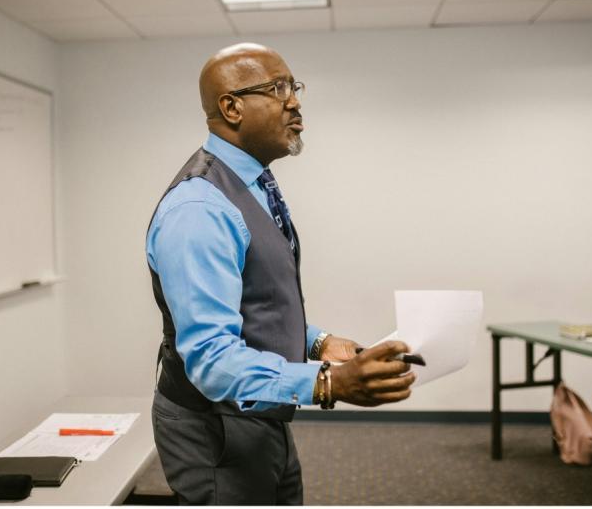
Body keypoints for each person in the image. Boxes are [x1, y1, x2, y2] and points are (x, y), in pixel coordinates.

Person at [146, 43, 416, 505]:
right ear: (231, 107)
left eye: (294, 86)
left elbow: (257, 300)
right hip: (215, 430)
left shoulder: (252, 183)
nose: (294, 101)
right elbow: (211, 360)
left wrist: (316, 343)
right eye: (278, 88)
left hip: (258, 412)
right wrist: (328, 383)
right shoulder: (199, 210)